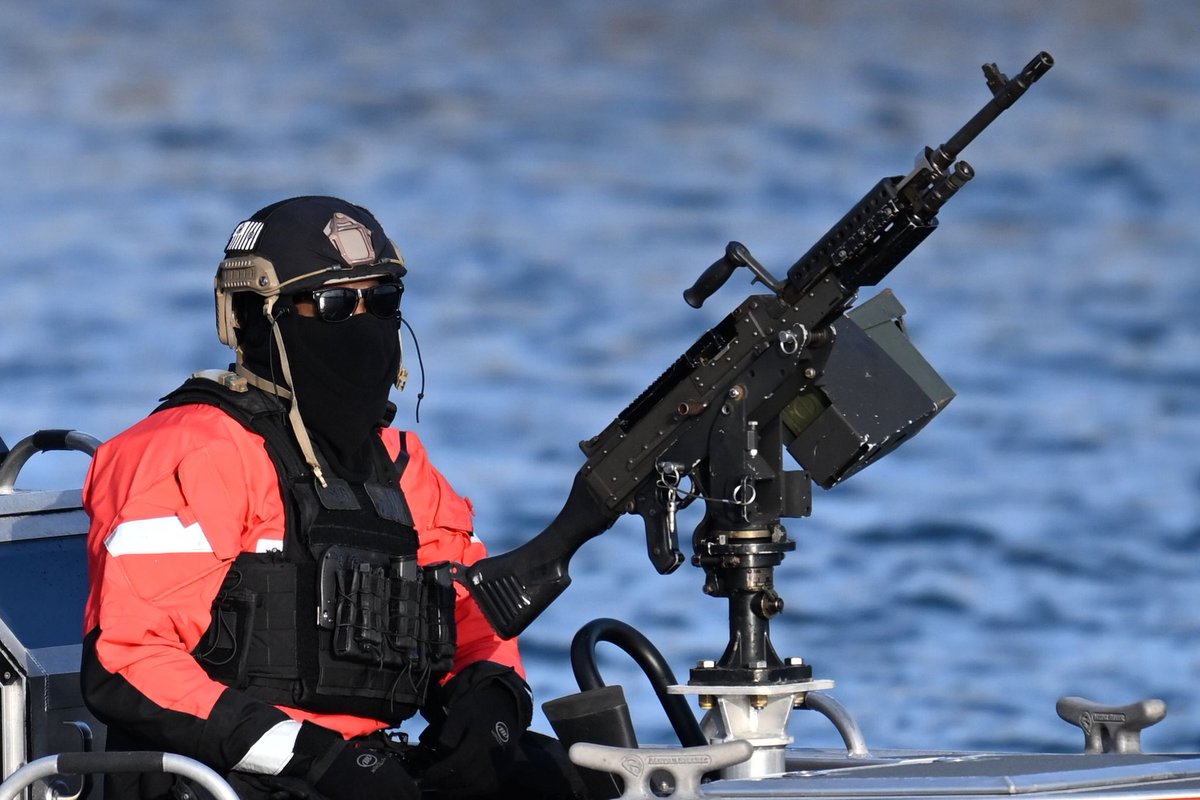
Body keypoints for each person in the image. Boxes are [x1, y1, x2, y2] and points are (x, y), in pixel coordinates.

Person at [81, 196, 587, 800]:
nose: (365, 325)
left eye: (385, 302)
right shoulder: (192, 450)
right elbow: (128, 662)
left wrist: (491, 710)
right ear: (255, 317)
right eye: (336, 304)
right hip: (227, 773)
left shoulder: (399, 463)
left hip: (366, 766)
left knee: (570, 778)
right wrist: (307, 757)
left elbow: (472, 621)